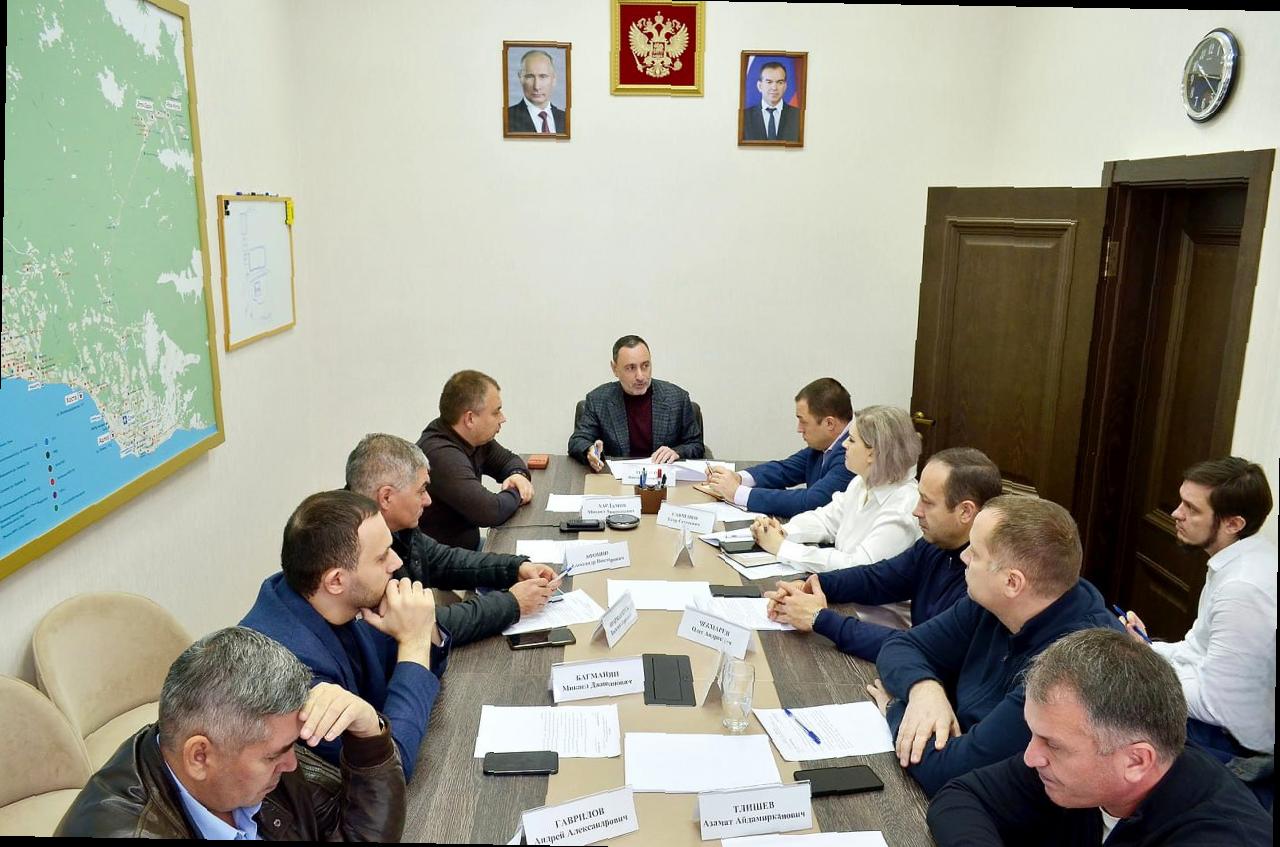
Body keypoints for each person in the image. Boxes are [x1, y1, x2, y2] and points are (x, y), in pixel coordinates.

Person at [867, 494, 1123, 796]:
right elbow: (900, 646)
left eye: (975, 553)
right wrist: (923, 690)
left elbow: (950, 772)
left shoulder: (1072, 667)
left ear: (1012, 583)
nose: (963, 557)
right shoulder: (992, 602)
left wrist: (896, 708)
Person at [927, 628, 1274, 846]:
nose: (1031, 756)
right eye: (1035, 734)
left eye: (1053, 744)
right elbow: (962, 797)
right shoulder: (1069, 768)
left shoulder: (1224, 837)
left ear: (1136, 761)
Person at [56, 626, 405, 840]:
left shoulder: (254, 748)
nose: (292, 764)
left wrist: (368, 739)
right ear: (199, 757)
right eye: (274, 756)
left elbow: (359, 833)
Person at [241, 490, 449, 781]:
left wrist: (421, 629)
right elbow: (388, 765)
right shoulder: (283, 671)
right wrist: (414, 643)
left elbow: (419, 669)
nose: (395, 563)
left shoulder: (337, 601)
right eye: (381, 557)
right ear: (336, 580)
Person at [1120, 457, 1275, 806]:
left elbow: (1217, 704)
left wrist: (1145, 667)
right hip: (1217, 724)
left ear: (1233, 523)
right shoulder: (1236, 561)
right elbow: (1197, 650)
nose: (1176, 514)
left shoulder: (1243, 589)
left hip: (1228, 749)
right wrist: (1148, 650)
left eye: (1191, 509)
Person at [765, 447, 1003, 661]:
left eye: (927, 502)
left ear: (965, 512)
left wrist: (819, 618)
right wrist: (811, 584)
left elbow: (919, 647)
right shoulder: (936, 544)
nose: (916, 511)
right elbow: (877, 578)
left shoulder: (984, 578)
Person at [348, 432, 560, 646]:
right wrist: (512, 604)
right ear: (386, 497)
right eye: (421, 490)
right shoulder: (354, 546)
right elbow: (421, 625)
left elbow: (444, 562)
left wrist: (514, 568)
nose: (428, 500)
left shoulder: (396, 525)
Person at [750, 405, 921, 573]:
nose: (844, 444)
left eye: (851, 440)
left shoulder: (903, 506)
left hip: (863, 590)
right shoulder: (861, 483)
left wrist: (782, 548)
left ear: (873, 453)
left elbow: (859, 566)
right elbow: (825, 520)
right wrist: (781, 531)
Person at [701, 377, 855, 518]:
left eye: (803, 421)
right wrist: (738, 478)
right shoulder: (825, 445)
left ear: (829, 423)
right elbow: (784, 469)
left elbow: (810, 502)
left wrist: (737, 493)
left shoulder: (852, 453)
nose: (799, 429)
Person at [417, 370, 533, 550]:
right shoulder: (440, 454)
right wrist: (519, 491)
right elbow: (490, 511)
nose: (503, 419)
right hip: (449, 561)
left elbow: (509, 461)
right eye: (496, 412)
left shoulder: (474, 439)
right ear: (470, 419)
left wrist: (517, 475)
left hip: (469, 550)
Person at [568, 334, 705, 469]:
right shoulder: (598, 400)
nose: (640, 376)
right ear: (615, 369)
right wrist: (590, 450)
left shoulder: (677, 398)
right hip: (615, 479)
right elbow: (577, 440)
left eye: (645, 366)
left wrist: (677, 452)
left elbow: (696, 445)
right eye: (631, 368)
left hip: (662, 478)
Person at [507, 49, 565, 134]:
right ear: (520, 78)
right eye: (530, 76)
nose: (536, 87)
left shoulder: (566, 118)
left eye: (543, 76)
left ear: (554, 79)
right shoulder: (507, 118)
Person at [742, 61, 801, 142]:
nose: (774, 88)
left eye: (779, 82)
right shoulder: (744, 117)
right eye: (769, 82)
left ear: (785, 86)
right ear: (760, 86)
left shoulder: (798, 116)